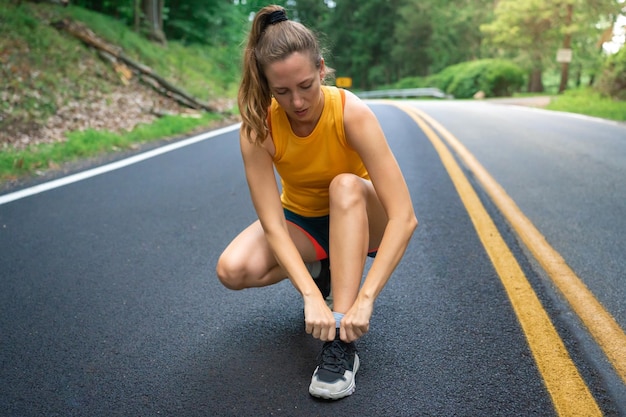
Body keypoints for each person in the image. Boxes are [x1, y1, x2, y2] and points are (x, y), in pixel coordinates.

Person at [216, 4, 417, 400]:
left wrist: (365, 300)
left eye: (306, 85)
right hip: (305, 223)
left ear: (321, 68)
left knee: (343, 186)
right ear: (266, 84)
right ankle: (320, 272)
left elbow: (404, 218)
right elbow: (273, 223)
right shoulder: (259, 126)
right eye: (282, 91)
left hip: (361, 215)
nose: (298, 102)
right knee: (233, 269)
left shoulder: (351, 112)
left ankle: (340, 345)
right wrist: (309, 292)